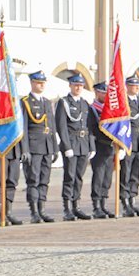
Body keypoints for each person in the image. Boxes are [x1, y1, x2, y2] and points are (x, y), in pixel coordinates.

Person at [20, 71, 57, 224]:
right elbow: (23, 128)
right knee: (33, 179)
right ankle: (34, 211)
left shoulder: (47, 102)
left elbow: (52, 126)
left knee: (44, 179)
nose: (41, 85)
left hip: (47, 146)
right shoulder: (25, 102)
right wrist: (25, 149)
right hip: (34, 147)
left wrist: (55, 147)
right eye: (38, 82)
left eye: (43, 82)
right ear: (32, 83)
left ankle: (42, 209)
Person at [55, 74, 94, 221]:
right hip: (71, 143)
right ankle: (67, 208)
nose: (78, 88)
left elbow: (89, 126)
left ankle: (76, 206)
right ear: (70, 85)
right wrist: (66, 146)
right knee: (69, 176)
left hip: (83, 144)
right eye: (75, 85)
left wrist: (91, 145)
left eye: (81, 85)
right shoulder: (64, 102)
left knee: (79, 177)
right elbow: (61, 126)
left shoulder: (84, 103)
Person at [119, 75, 139, 217]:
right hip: (129, 143)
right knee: (126, 173)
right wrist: (120, 145)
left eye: (137, 85)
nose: (136, 88)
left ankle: (133, 200)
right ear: (127, 86)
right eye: (133, 85)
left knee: (136, 174)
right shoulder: (123, 103)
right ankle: (125, 202)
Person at [87, 82, 115, 219]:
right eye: (102, 93)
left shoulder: (109, 109)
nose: (105, 95)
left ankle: (103, 204)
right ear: (96, 93)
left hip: (110, 146)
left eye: (106, 93)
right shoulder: (92, 109)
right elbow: (90, 129)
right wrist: (91, 147)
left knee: (107, 177)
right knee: (98, 176)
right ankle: (96, 206)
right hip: (98, 145)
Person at [0, 141, 23, 226]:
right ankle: (0, 214)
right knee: (0, 181)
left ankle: (8, 212)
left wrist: (24, 149)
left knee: (12, 181)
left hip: (15, 148)